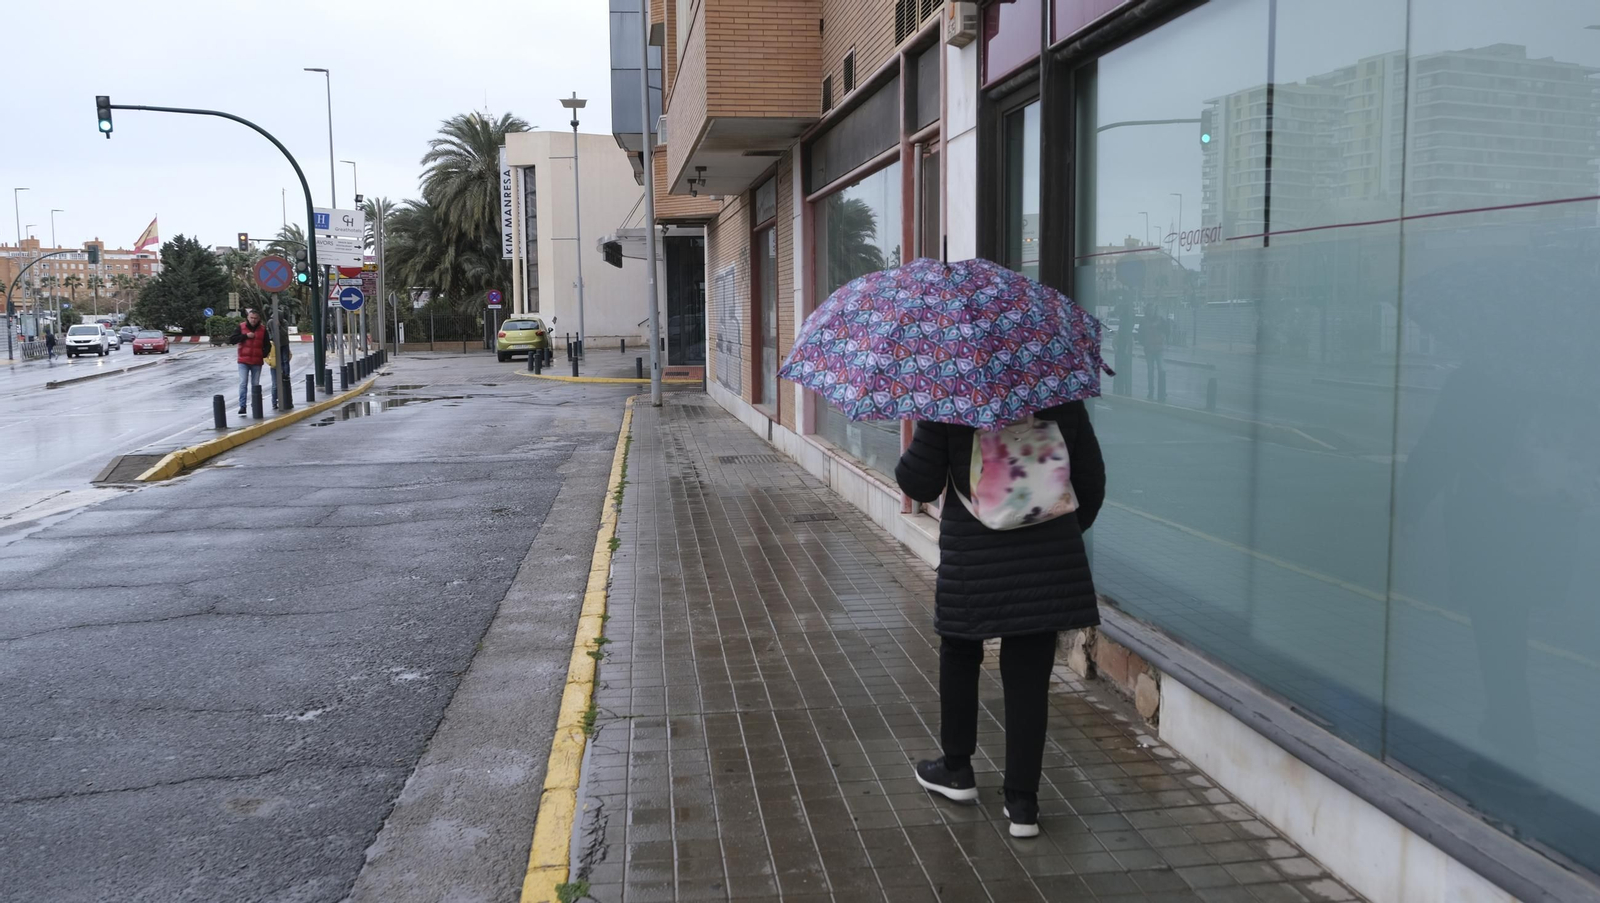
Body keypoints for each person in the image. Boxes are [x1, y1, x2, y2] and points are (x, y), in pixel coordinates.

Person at [895, 402, 1106, 838]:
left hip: (973, 560)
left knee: (959, 647)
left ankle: (956, 770)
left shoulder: (950, 397)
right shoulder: (1059, 393)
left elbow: (918, 481)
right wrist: (1053, 529)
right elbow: (1092, 481)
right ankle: (1022, 804)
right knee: (1029, 675)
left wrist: (927, 424)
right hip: (1047, 563)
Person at [228, 309, 269, 414]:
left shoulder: (263, 329)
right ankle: (242, 406)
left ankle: (255, 405)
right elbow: (232, 339)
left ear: (258, 319)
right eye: (251, 318)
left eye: (255, 318)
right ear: (248, 317)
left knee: (255, 384)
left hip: (257, 361)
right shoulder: (241, 327)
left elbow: (267, 345)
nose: (253, 320)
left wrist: (262, 354)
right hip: (243, 361)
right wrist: (245, 336)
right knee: (243, 383)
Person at [1140, 304, 1169, 400]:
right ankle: (1151, 391)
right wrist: (1144, 343)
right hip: (1149, 350)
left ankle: (1162, 391)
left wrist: (1163, 338)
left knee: (1162, 370)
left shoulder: (1160, 320)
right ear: (1146, 310)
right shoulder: (1143, 321)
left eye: (1152, 309)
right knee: (1150, 371)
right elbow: (1140, 334)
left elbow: (1167, 330)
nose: (1151, 311)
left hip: (1159, 349)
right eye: (1149, 309)